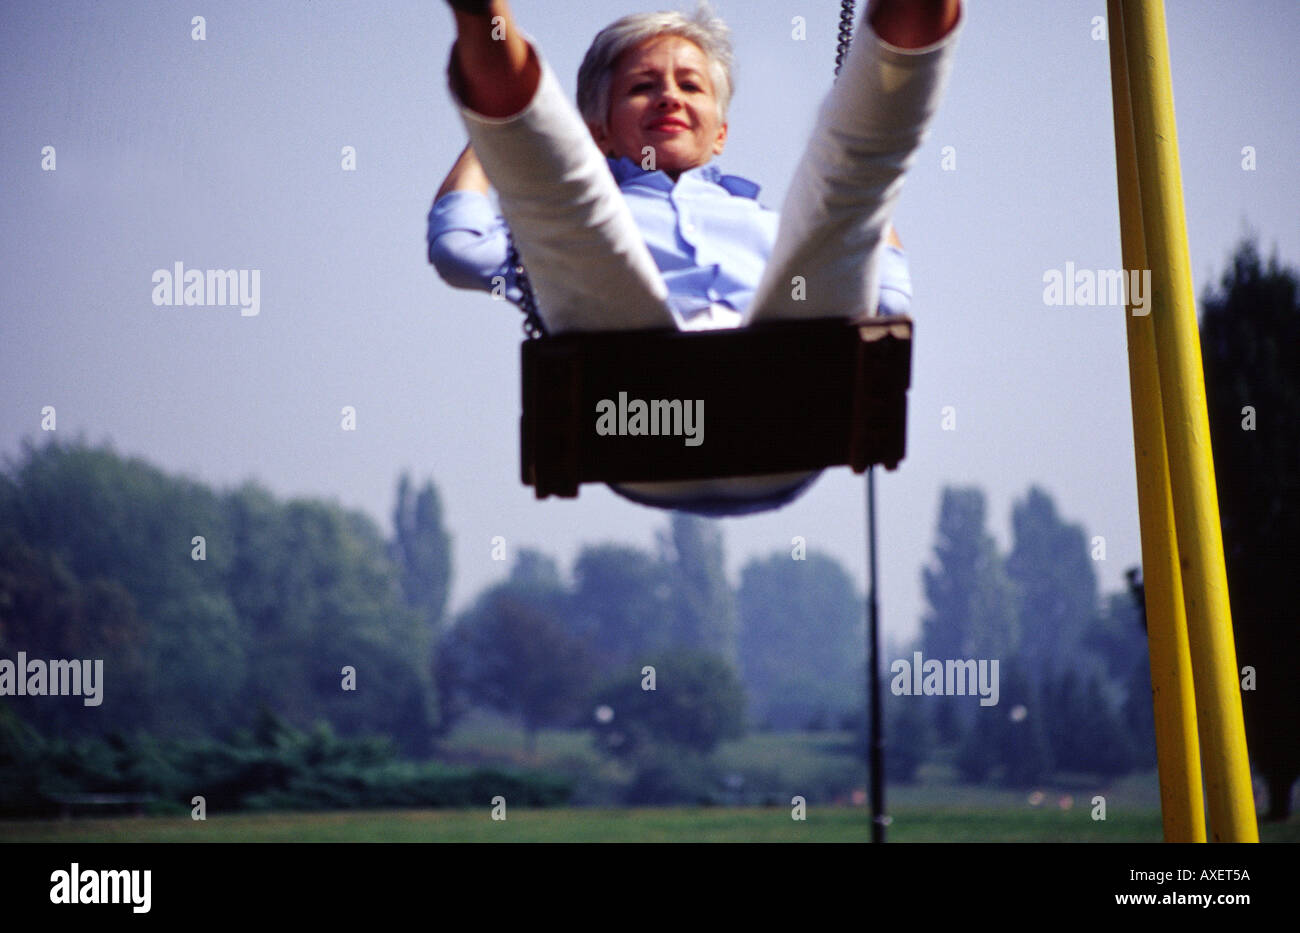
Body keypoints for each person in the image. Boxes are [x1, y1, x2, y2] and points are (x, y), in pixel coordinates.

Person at [428, 0, 963, 516]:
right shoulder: (581, 223)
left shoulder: (778, 231)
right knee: (568, 211)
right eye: (642, 87)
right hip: (640, 422)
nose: (669, 97)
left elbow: (886, 295)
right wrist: (496, 141)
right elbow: (460, 245)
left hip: (777, 415)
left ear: (720, 133)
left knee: (851, 177)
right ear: (598, 132)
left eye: (690, 84)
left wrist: (864, 203)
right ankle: (483, 19)